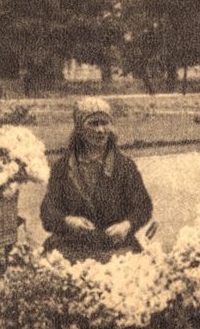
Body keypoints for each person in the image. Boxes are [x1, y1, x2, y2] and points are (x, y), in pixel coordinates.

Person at [40, 97, 153, 263]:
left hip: (116, 248)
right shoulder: (63, 167)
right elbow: (48, 211)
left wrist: (127, 225)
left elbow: (143, 207)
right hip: (72, 247)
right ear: (79, 128)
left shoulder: (124, 166)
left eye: (104, 123)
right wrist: (68, 221)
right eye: (93, 123)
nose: (100, 130)